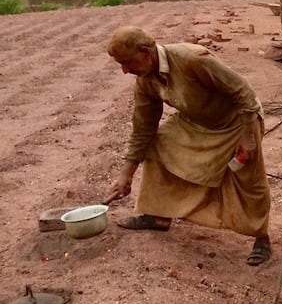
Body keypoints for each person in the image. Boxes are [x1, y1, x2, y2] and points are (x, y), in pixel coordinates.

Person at [105, 26, 272, 266]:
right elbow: (143, 129)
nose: (124, 70)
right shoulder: (145, 81)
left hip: (238, 121)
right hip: (196, 124)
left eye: (126, 62)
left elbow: (244, 93)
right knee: (158, 143)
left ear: (145, 52)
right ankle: (157, 216)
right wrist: (125, 175)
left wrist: (248, 136)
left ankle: (261, 238)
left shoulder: (193, 59)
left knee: (248, 177)